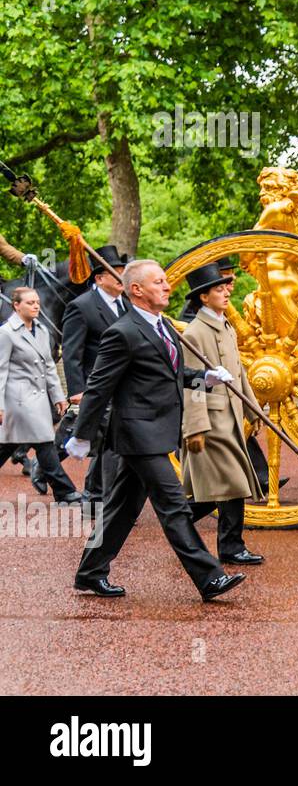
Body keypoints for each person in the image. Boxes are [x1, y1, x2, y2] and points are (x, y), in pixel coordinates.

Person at [65, 260, 245, 601]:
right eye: (159, 282)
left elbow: (169, 374)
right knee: (174, 505)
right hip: (138, 434)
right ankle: (209, 578)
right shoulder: (123, 332)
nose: (167, 287)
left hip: (156, 431)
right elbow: (100, 386)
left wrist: (202, 378)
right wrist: (82, 434)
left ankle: (90, 573)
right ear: (137, 290)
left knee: (121, 510)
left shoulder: (162, 326)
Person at [179, 264, 265, 565]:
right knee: (233, 482)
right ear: (203, 297)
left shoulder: (225, 326)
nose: (227, 291)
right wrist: (196, 427)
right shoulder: (194, 333)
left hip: (231, 417)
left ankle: (178, 524)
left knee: (219, 488)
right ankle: (231, 546)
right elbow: (193, 385)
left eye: (226, 286)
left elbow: (238, 373)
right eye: (219, 289)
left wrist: (254, 410)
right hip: (212, 422)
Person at [60, 244, 130, 511]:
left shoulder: (126, 305)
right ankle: (104, 499)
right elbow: (71, 352)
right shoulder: (81, 306)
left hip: (121, 385)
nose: (121, 277)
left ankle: (93, 496)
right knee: (104, 441)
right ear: (99, 278)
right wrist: (77, 390)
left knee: (107, 442)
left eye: (123, 272)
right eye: (116, 273)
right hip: (94, 384)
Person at [0, 287, 80, 504]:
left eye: (37, 302)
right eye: (29, 303)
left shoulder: (43, 331)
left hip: (37, 399)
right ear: (16, 305)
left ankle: (65, 492)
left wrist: (58, 397)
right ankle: (66, 492)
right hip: (16, 400)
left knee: (8, 443)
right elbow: (1, 371)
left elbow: (49, 368)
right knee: (44, 441)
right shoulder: (6, 333)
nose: (36, 306)